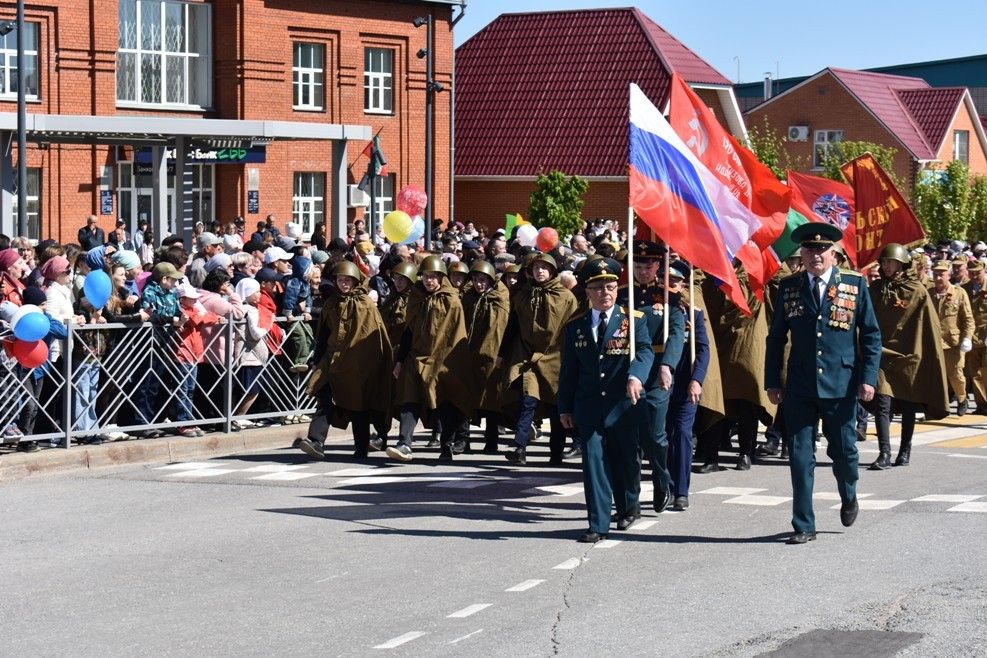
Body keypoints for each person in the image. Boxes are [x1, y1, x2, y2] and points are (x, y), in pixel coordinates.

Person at [765, 223, 882, 545]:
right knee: (800, 457)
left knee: (844, 453)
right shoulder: (789, 287)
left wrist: (868, 379)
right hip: (800, 385)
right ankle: (804, 523)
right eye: (809, 249)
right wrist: (773, 381)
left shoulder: (855, 285)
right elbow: (776, 338)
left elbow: (871, 335)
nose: (815, 255)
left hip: (841, 384)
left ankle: (849, 494)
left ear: (834, 253)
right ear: (801, 253)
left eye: (821, 249)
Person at [557, 258, 653, 543]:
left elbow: (645, 352)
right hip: (589, 407)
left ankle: (628, 506)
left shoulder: (633, 320)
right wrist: (564, 406)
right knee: (594, 463)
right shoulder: (575, 326)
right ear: (587, 291)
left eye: (610, 286)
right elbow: (569, 371)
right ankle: (598, 523)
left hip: (623, 405)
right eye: (598, 288)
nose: (605, 293)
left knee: (624, 461)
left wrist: (636, 376)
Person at [865, 244, 949, 469]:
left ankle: (905, 449)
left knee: (908, 404)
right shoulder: (874, 289)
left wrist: (927, 353)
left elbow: (928, 325)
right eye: (883, 262)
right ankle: (884, 452)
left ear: (901, 263)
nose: (885, 266)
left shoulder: (917, 290)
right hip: (881, 354)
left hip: (909, 355)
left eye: (890, 262)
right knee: (883, 402)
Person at [299, 261, 392, 459]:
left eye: (348, 280)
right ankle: (316, 441)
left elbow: (374, 336)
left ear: (356, 280)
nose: (344, 284)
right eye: (340, 280)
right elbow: (323, 333)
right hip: (332, 359)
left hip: (358, 364)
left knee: (359, 404)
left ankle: (361, 447)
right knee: (324, 397)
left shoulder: (365, 304)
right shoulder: (332, 303)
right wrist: (317, 358)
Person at [386, 255, 474, 462]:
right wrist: (399, 361)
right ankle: (404, 443)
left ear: (442, 278)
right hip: (416, 357)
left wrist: (450, 362)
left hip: (443, 359)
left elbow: (455, 333)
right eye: (426, 276)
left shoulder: (451, 300)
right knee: (410, 399)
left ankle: (447, 444)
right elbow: (408, 332)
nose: (429, 280)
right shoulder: (416, 298)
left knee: (443, 402)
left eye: (434, 277)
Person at [499, 253, 579, 465]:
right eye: (536, 268)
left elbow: (574, 327)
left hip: (556, 356)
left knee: (556, 407)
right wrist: (501, 353)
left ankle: (555, 453)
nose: (540, 271)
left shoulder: (566, 297)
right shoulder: (523, 296)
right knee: (528, 401)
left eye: (544, 267)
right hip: (529, 357)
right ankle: (520, 447)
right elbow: (512, 326)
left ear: (552, 271)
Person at [660, 261, 709, 512]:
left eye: (675, 282)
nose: (670, 286)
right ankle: (664, 486)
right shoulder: (650, 310)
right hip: (657, 386)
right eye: (665, 280)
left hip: (683, 384)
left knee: (681, 434)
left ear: (683, 285)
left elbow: (702, 350)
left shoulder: (693, 313)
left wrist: (696, 380)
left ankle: (680, 490)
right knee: (660, 437)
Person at [461, 260, 511, 454]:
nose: (478, 284)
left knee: (491, 399)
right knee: (466, 397)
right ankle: (463, 440)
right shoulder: (468, 298)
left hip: (492, 355)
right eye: (475, 280)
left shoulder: (500, 298)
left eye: (482, 280)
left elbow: (500, 326)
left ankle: (492, 440)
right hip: (469, 353)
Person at [931, 260, 974, 416]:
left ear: (948, 275)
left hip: (953, 343)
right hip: (934, 342)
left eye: (941, 274)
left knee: (956, 374)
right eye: (935, 274)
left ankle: (962, 399)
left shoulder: (959, 293)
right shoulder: (929, 293)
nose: (938, 278)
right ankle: (939, 406)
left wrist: (967, 338)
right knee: (936, 376)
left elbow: (968, 319)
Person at [962, 260, 987, 414]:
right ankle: (982, 404)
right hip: (971, 338)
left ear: (984, 270)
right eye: (971, 273)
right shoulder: (965, 289)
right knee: (975, 373)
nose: (974, 276)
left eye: (977, 272)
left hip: (986, 336)